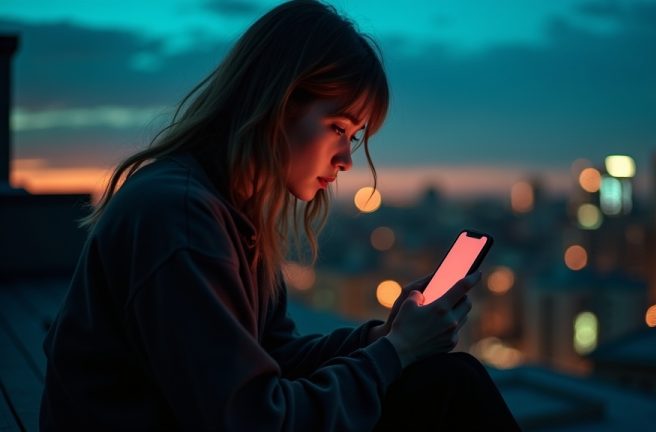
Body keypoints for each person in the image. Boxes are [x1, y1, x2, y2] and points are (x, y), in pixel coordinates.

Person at [40, 1, 521, 430]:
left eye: (353, 136)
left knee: (444, 378)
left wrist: (381, 337)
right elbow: (253, 417)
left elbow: (275, 357)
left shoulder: (227, 208)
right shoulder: (180, 218)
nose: (346, 159)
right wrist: (397, 353)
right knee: (450, 385)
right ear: (276, 104)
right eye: (337, 127)